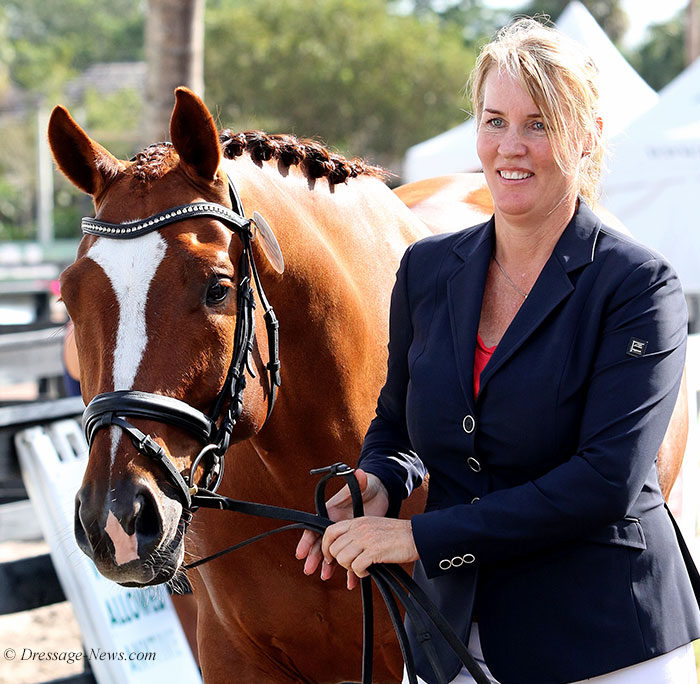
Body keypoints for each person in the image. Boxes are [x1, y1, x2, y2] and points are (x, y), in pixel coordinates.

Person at [296, 17, 700, 684]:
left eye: (539, 124)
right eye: (495, 121)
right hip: (450, 639)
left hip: (605, 642)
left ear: (589, 136)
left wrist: (419, 537)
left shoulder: (638, 287)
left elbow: (605, 481)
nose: (511, 147)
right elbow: (397, 425)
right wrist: (378, 482)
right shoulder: (426, 270)